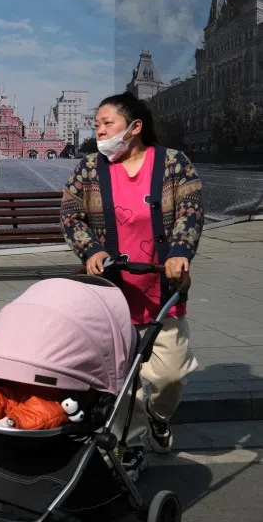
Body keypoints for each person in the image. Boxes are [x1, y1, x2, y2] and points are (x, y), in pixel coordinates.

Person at [60, 91, 203, 481]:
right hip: (112, 292)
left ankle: (159, 416)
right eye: (96, 125)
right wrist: (89, 249)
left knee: (169, 375)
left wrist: (179, 251)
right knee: (123, 380)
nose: (100, 131)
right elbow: (71, 215)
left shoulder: (173, 164)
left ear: (135, 127)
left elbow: (189, 210)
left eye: (107, 124)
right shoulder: (90, 168)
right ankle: (132, 444)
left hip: (163, 288)